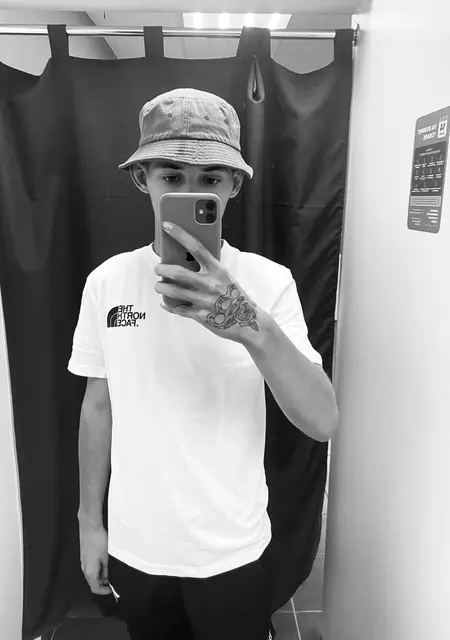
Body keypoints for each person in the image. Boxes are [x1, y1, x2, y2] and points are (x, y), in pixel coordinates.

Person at [68, 88, 339, 640]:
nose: (190, 192)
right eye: (171, 176)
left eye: (210, 178)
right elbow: (98, 409)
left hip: (232, 548)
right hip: (137, 544)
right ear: (142, 179)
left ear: (234, 185)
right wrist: (89, 523)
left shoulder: (268, 282)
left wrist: (248, 323)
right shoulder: (107, 282)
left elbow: (322, 421)